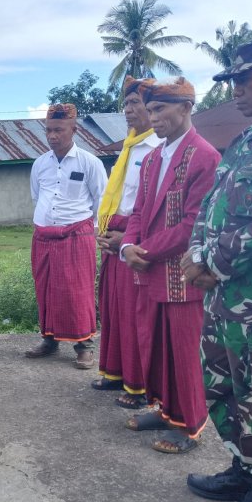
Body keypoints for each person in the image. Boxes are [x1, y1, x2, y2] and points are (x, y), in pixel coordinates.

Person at [183, 35, 252, 502]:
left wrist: (212, 260)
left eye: (245, 77)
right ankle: (244, 466)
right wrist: (197, 254)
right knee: (224, 386)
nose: (235, 89)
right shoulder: (247, 141)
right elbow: (209, 209)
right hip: (223, 300)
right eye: (231, 79)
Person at [121, 77, 221, 453]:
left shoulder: (205, 156)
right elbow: (138, 212)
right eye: (150, 109)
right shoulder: (151, 159)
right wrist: (128, 244)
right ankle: (166, 411)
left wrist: (142, 251)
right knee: (157, 347)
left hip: (182, 274)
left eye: (160, 109)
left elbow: (192, 224)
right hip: (150, 272)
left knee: (184, 352)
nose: (152, 116)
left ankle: (191, 424)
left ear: (186, 108)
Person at [93, 77, 162, 406]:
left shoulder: (157, 149)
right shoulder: (129, 147)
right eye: (126, 104)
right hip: (114, 237)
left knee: (137, 315)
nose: (129, 110)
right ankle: (115, 372)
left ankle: (139, 386)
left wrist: (127, 238)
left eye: (136, 103)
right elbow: (115, 197)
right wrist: (104, 232)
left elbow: (151, 207)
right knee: (114, 309)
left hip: (136, 239)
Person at [25, 103, 107, 368]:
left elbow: (101, 201)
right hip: (44, 237)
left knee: (77, 291)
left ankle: (84, 346)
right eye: (49, 130)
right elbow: (38, 197)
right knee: (45, 289)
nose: (52, 136)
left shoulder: (89, 162)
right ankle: (49, 341)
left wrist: (91, 230)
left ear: (73, 129)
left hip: (76, 236)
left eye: (58, 130)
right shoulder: (40, 164)